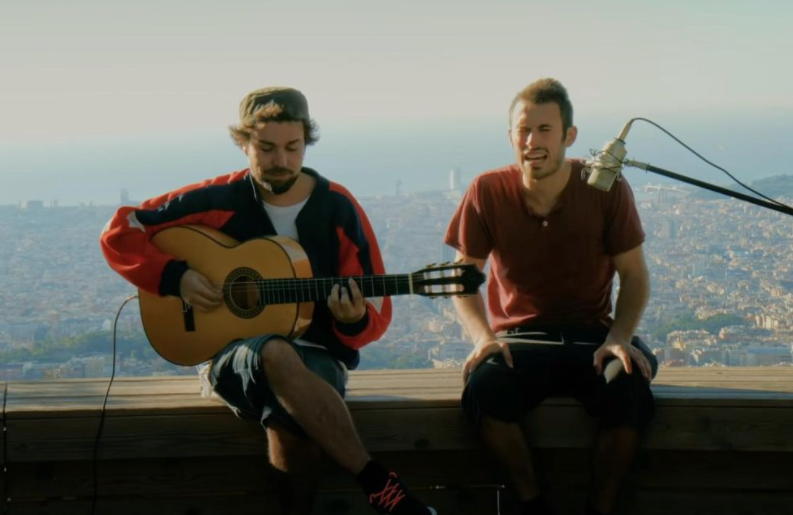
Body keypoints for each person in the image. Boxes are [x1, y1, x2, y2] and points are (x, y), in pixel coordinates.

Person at [100, 87, 436, 515]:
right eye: (266, 148)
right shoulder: (216, 198)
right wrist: (175, 278)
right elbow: (121, 229)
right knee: (274, 350)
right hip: (229, 354)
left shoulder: (337, 207)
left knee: (290, 423)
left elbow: (373, 305)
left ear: (306, 144)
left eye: (292, 148)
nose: (281, 161)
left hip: (316, 354)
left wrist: (351, 320)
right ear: (243, 143)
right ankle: (382, 488)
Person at [443, 78, 658, 515]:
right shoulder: (487, 191)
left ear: (569, 136)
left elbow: (634, 276)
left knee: (631, 390)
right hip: (522, 339)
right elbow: (463, 280)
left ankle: (600, 508)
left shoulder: (605, 186)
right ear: (510, 136)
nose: (531, 141)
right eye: (523, 130)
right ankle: (532, 504)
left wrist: (619, 335)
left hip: (593, 337)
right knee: (483, 391)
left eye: (544, 129)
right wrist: (483, 338)